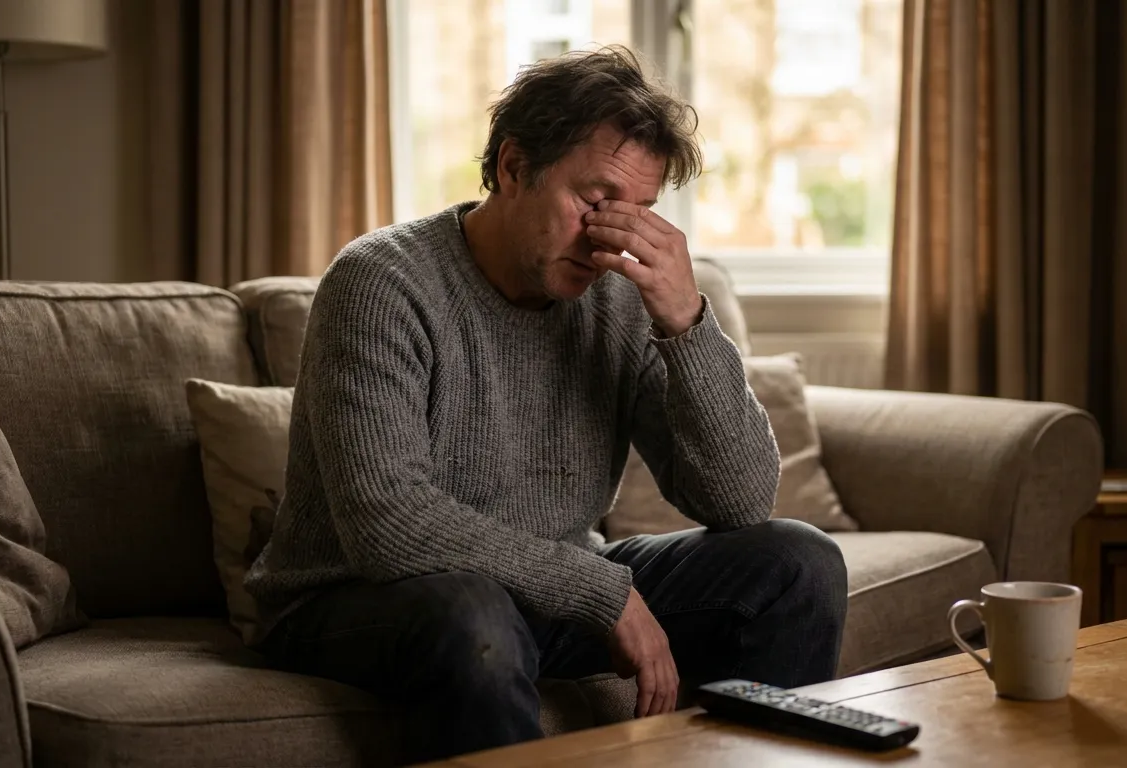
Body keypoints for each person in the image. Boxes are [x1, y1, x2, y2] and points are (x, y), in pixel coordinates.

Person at [244, 45, 848, 765]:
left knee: (798, 563)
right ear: (512, 168)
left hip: (537, 596)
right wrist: (603, 591)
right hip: (353, 601)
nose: (607, 241)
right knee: (474, 613)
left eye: (638, 211)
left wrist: (686, 322)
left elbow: (742, 501)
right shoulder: (381, 282)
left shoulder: (619, 300)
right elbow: (387, 521)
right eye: (594, 201)